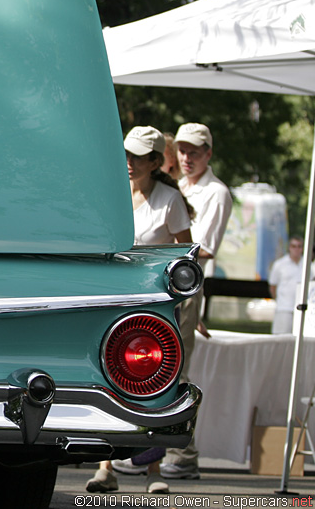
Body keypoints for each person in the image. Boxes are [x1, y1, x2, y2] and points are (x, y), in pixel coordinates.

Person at [87, 126, 191, 495]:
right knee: (103, 377)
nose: (128, 162)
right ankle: (105, 467)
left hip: (156, 308)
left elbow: (185, 254)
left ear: (154, 161)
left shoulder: (169, 199)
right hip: (110, 301)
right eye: (126, 154)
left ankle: (153, 471)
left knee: (155, 387)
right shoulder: (110, 192)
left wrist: (190, 308)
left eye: (138, 156)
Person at [268, 236, 305, 334]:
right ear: (289, 247)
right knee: (281, 340)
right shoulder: (280, 264)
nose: (296, 249)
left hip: (302, 310)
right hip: (284, 309)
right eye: (293, 246)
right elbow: (273, 287)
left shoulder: (307, 265)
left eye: (299, 246)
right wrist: (280, 301)